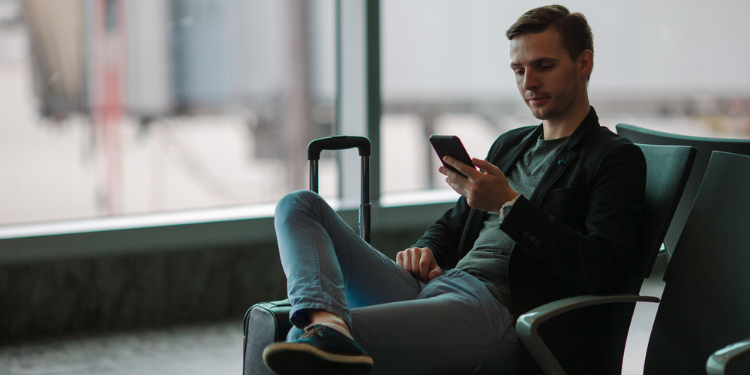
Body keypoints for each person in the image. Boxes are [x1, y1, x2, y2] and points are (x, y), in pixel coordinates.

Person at [262, 4, 646, 375]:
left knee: (300, 338)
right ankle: (329, 325)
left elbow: (602, 269)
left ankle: (327, 333)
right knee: (299, 205)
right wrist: (426, 249)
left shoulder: (613, 158)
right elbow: (453, 223)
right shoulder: (512, 145)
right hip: (443, 285)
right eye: (518, 70)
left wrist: (509, 207)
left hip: (499, 313)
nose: (528, 83)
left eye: (544, 66)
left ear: (584, 63)